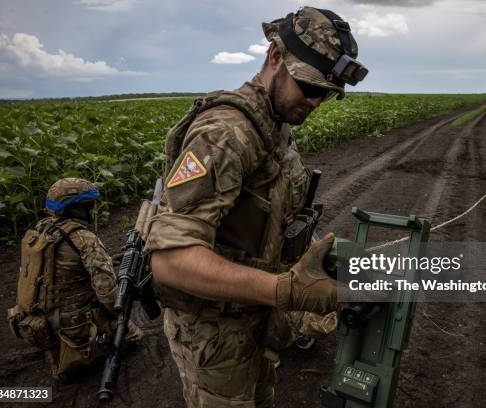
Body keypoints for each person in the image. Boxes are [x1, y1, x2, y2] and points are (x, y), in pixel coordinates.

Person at [146, 6, 367, 407]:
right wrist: (284, 290)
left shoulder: (276, 127)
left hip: (258, 322)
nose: (316, 102)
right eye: (310, 87)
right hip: (215, 339)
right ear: (276, 58)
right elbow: (170, 260)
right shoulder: (224, 135)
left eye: (328, 95)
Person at [7, 178, 142, 381]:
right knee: (133, 333)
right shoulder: (84, 239)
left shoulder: (41, 231)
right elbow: (108, 295)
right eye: (89, 206)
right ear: (79, 208)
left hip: (39, 322)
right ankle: (78, 354)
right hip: (74, 326)